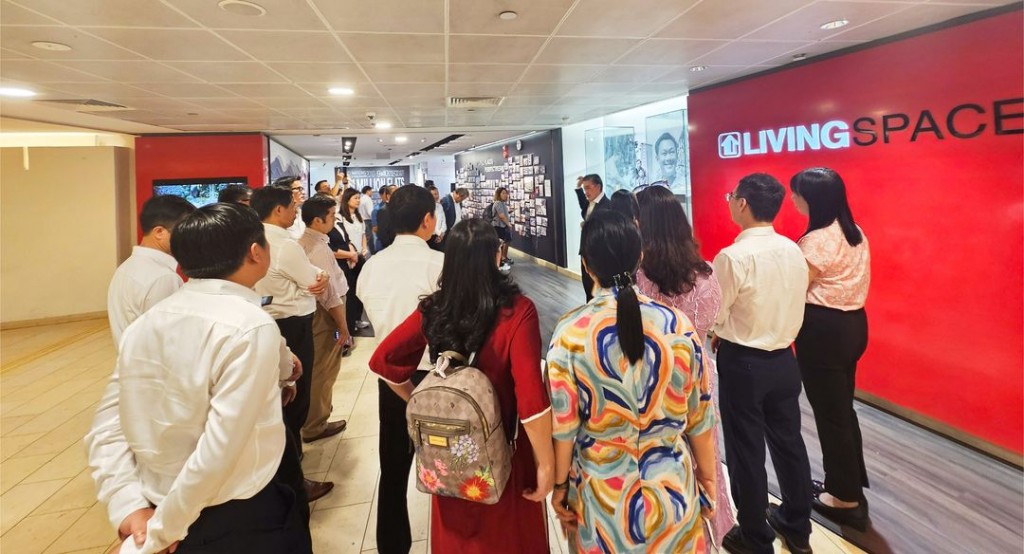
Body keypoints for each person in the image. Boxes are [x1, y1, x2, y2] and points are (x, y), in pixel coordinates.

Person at [85, 203, 312, 554]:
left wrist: (129, 504)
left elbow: (107, 426)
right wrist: (162, 531)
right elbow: (218, 450)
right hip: (237, 516)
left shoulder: (147, 323)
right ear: (256, 252)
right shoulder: (248, 326)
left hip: (162, 504)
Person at [369, 218, 554, 553]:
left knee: (457, 534)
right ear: (495, 256)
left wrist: (418, 400)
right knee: (512, 535)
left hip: (450, 450)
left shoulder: (434, 308)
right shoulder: (517, 311)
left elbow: (384, 361)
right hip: (506, 448)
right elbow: (530, 399)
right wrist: (546, 463)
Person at [547, 210, 716, 553]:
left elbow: (564, 427)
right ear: (640, 257)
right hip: (673, 491)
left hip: (601, 500)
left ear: (585, 265)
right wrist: (708, 476)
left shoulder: (570, 334)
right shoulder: (678, 326)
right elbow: (700, 415)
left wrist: (560, 485)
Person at [714, 173, 813, 554]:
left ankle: (754, 536)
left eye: (731, 196)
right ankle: (797, 524)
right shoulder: (792, 250)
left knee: (746, 450)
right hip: (785, 361)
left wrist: (718, 328)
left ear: (742, 204)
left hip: (744, 363)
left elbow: (718, 313)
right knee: (789, 444)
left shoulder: (732, 256)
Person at [634, 184, 736, 546]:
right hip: (700, 374)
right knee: (704, 448)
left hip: (648, 379)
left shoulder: (639, 279)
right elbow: (712, 322)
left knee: (660, 454)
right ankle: (703, 530)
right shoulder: (706, 276)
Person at [356, 185, 444, 554]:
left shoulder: (372, 266)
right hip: (438, 381)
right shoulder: (440, 264)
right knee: (450, 467)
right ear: (427, 220)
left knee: (393, 470)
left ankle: (392, 546)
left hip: (389, 380)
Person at [790, 167, 872, 530]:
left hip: (823, 331)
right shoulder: (854, 232)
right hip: (854, 325)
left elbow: (795, 290)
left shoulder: (815, 241)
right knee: (842, 409)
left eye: (797, 194)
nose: (792, 199)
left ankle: (845, 498)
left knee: (831, 415)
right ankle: (851, 482)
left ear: (813, 199)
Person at [251, 185, 335, 504]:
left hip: (272, 318)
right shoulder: (284, 244)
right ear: (278, 210)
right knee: (294, 399)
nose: (295, 210)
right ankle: (295, 477)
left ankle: (290, 470)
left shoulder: (254, 237)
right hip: (292, 323)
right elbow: (313, 281)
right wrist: (320, 276)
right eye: (292, 206)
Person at [297, 194, 351, 443]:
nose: (334, 219)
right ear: (318, 220)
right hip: (329, 316)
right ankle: (315, 424)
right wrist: (343, 327)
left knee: (324, 365)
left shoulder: (310, 242)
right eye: (331, 215)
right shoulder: (317, 249)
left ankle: (317, 418)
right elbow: (331, 296)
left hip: (327, 313)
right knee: (325, 367)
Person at [107, 195, 196, 345]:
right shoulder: (162, 277)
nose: (189, 238)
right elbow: (169, 338)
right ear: (159, 232)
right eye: (184, 231)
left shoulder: (126, 267)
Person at [335, 188, 370, 331]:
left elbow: (363, 234)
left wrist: (364, 248)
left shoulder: (358, 216)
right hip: (347, 258)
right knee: (350, 289)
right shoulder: (339, 217)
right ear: (347, 199)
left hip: (359, 256)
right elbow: (344, 239)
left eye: (358, 198)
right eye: (355, 198)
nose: (358, 200)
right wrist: (351, 254)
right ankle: (350, 321)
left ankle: (358, 318)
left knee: (360, 288)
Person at [574, 174, 611, 302]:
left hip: (597, 253)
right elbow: (583, 206)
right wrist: (578, 189)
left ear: (598, 187)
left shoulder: (607, 205)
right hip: (586, 252)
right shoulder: (590, 203)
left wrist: (589, 227)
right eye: (584, 189)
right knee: (588, 287)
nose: (586, 192)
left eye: (588, 188)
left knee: (597, 289)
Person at [491, 186, 513, 266]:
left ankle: (503, 258)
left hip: (502, 226)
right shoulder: (498, 203)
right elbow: (501, 216)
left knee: (505, 242)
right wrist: (508, 224)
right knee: (500, 244)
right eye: (503, 193)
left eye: (506, 193)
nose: (505, 195)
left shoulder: (502, 203)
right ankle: (500, 260)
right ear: (498, 194)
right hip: (498, 226)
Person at [372, 184, 397, 251]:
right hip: (388, 249)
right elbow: (382, 234)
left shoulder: (400, 209)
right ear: (388, 196)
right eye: (395, 193)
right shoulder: (383, 210)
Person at [426, 183, 447, 252]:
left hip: (439, 237)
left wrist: (441, 234)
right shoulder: (424, 208)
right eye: (434, 194)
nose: (437, 196)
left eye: (437, 193)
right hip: (428, 238)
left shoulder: (439, 206)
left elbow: (443, 221)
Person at [358, 185, 375, 254]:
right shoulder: (368, 199)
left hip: (362, 220)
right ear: (368, 191)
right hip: (367, 221)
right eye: (371, 191)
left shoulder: (361, 198)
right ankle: (372, 254)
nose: (372, 193)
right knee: (369, 239)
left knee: (365, 238)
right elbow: (370, 212)